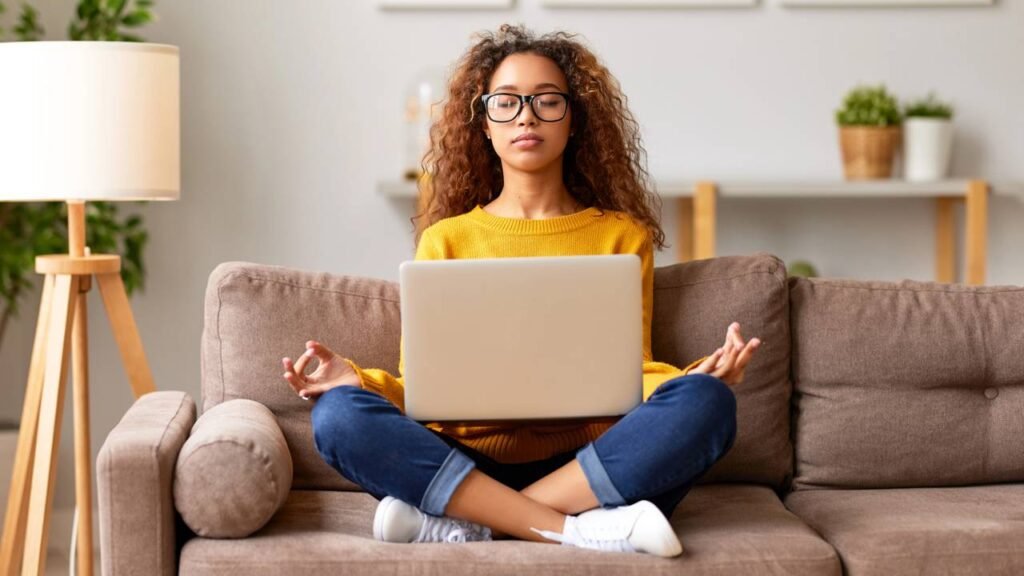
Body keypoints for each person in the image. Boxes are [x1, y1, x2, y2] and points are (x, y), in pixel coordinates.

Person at [282, 24, 760, 558]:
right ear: (483, 123)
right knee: (338, 417)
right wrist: (359, 382)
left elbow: (632, 370)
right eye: (506, 103)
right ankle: (582, 530)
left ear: (574, 120)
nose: (526, 116)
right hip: (463, 458)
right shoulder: (447, 240)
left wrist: (691, 379)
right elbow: (423, 386)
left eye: (546, 101)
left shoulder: (621, 235)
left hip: (589, 462)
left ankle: (477, 522)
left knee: (707, 403)